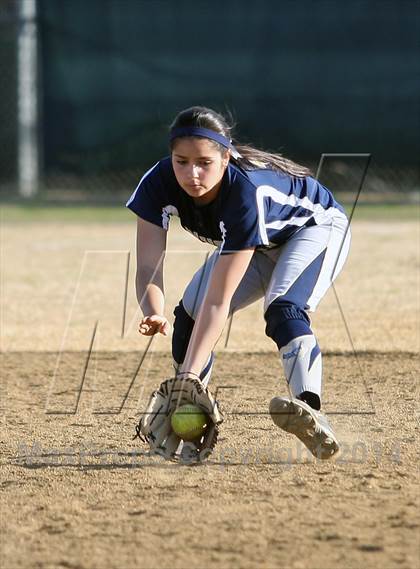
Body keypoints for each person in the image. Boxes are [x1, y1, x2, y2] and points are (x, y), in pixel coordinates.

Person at [126, 106, 351, 460]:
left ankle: (311, 411)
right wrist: (152, 311)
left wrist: (186, 376)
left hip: (315, 228)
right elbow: (148, 268)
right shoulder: (157, 182)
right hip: (260, 242)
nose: (191, 173)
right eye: (181, 161)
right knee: (189, 314)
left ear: (225, 157)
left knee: (283, 308)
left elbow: (219, 302)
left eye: (204, 162)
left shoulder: (244, 192)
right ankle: (190, 407)